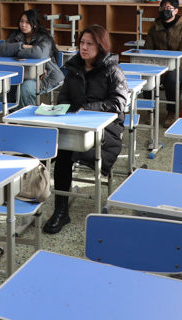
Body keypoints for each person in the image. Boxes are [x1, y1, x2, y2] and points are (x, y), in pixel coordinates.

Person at [43, 25, 129, 234]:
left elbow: (118, 103)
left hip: (105, 131)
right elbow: (63, 98)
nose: (84, 47)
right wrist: (62, 110)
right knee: (49, 147)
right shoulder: (74, 68)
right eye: (82, 42)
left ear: (101, 46)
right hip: (75, 126)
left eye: (90, 43)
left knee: (65, 152)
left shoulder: (113, 70)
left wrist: (87, 108)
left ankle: (60, 209)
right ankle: (59, 209)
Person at [0, 9, 65, 107]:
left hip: (46, 76)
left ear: (35, 24)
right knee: (5, 92)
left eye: (27, 22)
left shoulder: (44, 37)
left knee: (26, 89)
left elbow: (39, 53)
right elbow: (1, 49)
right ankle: (14, 115)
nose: (23, 25)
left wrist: (16, 52)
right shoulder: (16, 35)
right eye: (21, 21)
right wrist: (22, 46)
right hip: (23, 75)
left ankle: (25, 115)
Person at [143, 0, 182, 127]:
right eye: (162, 8)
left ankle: (172, 112)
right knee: (147, 76)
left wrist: (169, 67)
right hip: (158, 65)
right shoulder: (154, 28)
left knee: (172, 77)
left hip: (181, 65)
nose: (165, 10)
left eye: (168, 8)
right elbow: (147, 49)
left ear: (176, 10)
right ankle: (150, 111)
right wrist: (158, 66)